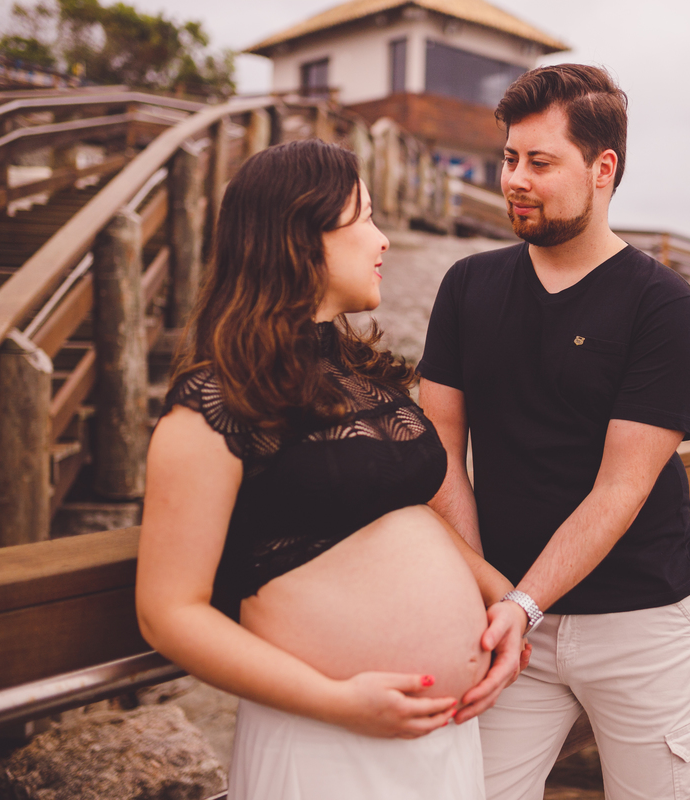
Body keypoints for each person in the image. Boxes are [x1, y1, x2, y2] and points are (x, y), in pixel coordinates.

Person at [135, 139, 526, 800]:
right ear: (300, 235)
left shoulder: (366, 382)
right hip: (325, 740)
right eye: (365, 218)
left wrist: (504, 601)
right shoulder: (214, 405)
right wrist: (335, 700)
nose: (383, 240)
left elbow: (408, 518)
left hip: (441, 741)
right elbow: (168, 612)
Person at [418, 64, 690, 800]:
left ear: (602, 169)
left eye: (541, 163)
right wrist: (496, 595)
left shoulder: (662, 304)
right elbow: (439, 453)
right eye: (509, 159)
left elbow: (622, 485)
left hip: (640, 619)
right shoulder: (467, 285)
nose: (516, 179)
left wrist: (522, 601)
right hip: (507, 619)